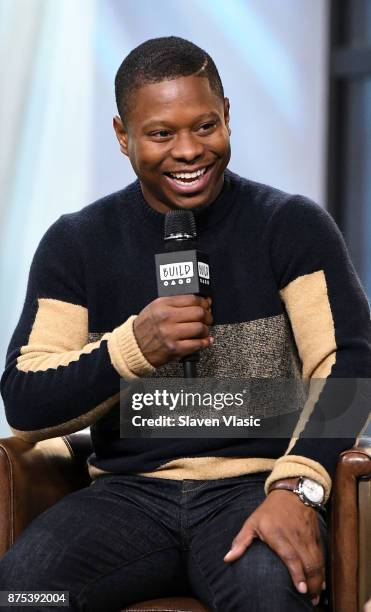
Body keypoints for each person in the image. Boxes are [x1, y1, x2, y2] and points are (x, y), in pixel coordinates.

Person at [0, 36, 370, 612]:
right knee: (23, 594)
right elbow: (26, 400)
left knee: (273, 593)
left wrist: (299, 488)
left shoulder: (291, 226)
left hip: (253, 489)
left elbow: (349, 364)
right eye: (161, 133)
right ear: (123, 135)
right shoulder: (78, 243)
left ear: (228, 117)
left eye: (205, 126)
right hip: (128, 499)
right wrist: (132, 348)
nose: (189, 151)